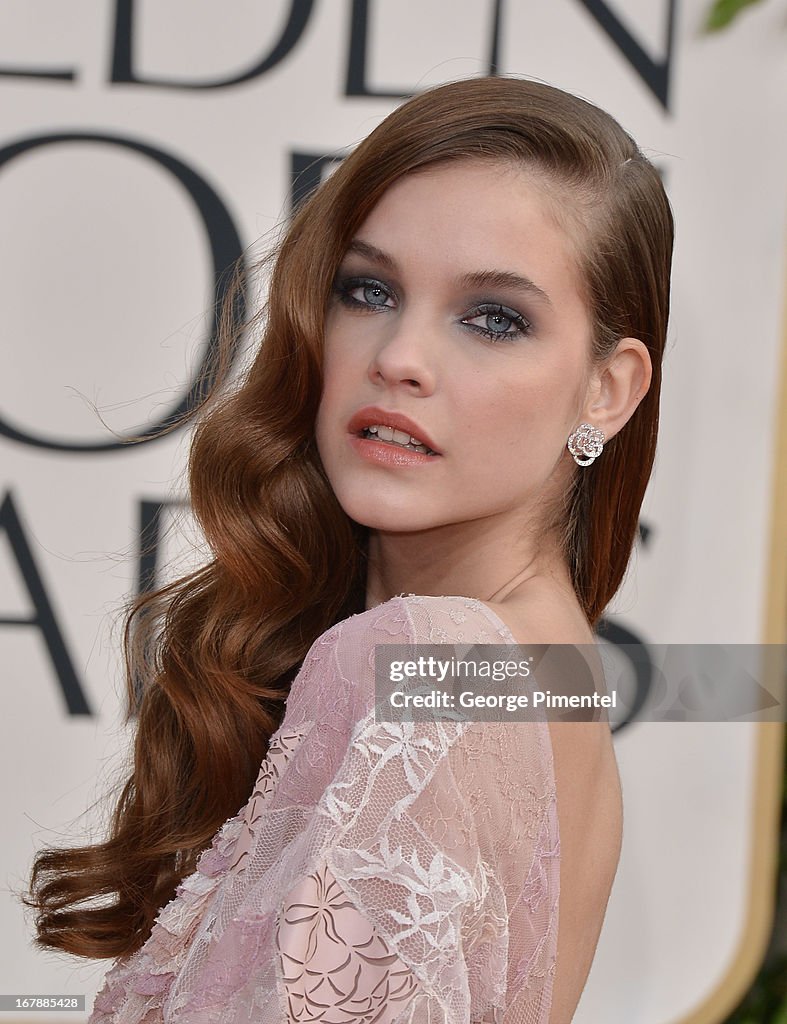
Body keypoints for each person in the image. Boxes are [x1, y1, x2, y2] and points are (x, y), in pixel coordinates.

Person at [25, 75, 673, 1024]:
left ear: (606, 391)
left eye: (494, 317)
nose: (399, 355)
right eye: (367, 290)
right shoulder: (544, 675)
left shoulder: (426, 669)